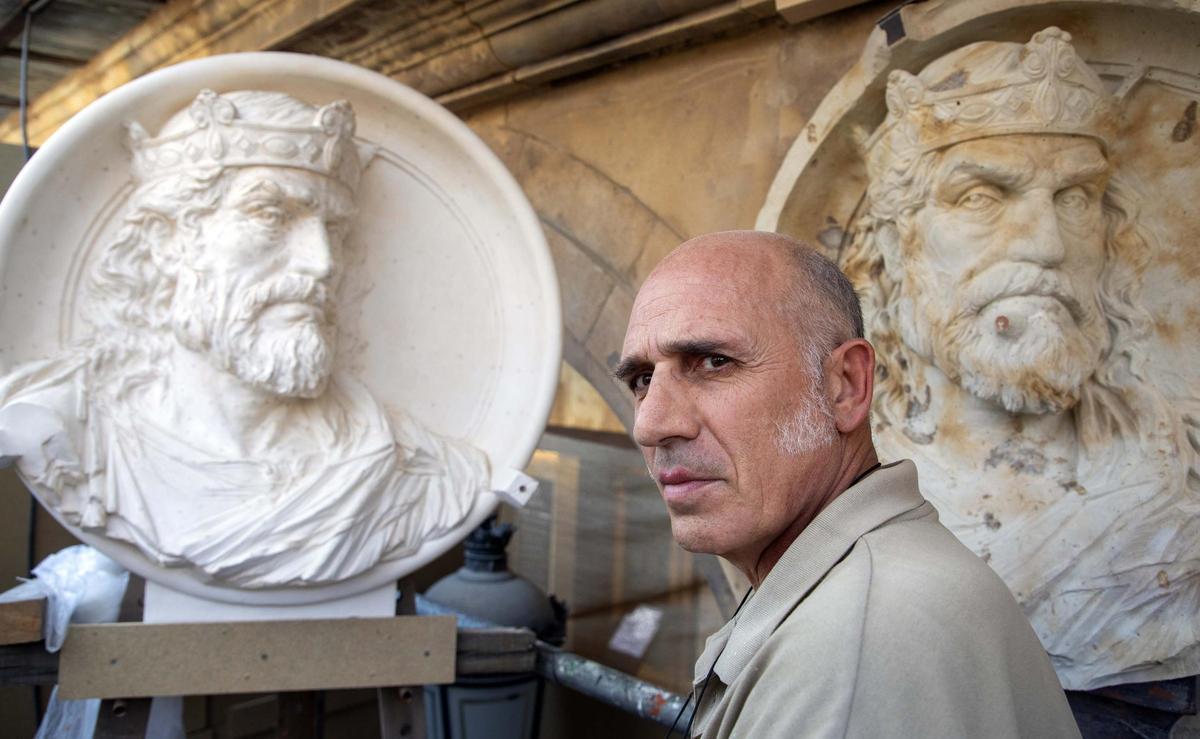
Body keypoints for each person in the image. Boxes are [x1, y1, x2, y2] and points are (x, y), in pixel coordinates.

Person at [0, 89, 490, 588]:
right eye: (270, 216)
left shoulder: (419, 467)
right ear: (168, 242)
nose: (321, 261)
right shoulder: (70, 430)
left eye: (335, 229)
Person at [843, 27, 1200, 689]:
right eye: (981, 197)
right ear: (895, 246)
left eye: (1076, 198)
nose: (1046, 244)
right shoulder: (847, 488)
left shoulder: (1179, 463)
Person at [616, 230, 1080, 737]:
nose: (650, 424)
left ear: (845, 386)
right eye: (642, 379)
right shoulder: (861, 589)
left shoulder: (853, 647)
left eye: (713, 362)